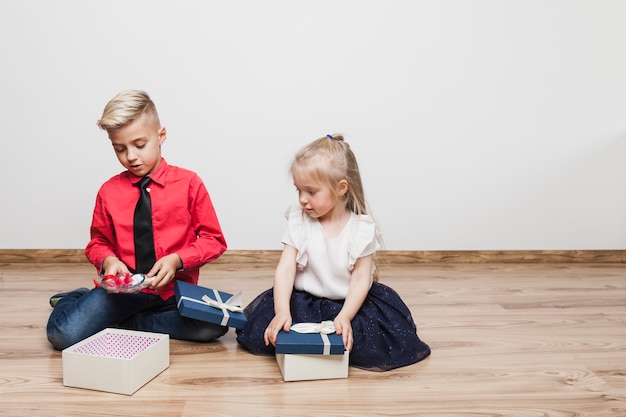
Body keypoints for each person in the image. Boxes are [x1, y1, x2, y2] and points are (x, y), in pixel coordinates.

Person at [46, 90, 228, 350]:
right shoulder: (109, 191)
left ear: (161, 136)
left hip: (174, 292)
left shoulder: (189, 183)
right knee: (63, 335)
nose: (131, 156)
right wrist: (109, 260)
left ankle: (119, 323)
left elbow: (214, 240)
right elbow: (97, 243)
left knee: (214, 326)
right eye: (120, 149)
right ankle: (76, 299)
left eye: (139, 145)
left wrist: (177, 260)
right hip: (122, 294)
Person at [236, 134, 430, 371]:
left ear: (340, 188)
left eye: (311, 191)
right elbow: (285, 270)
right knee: (270, 331)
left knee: (368, 342)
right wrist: (282, 312)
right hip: (304, 302)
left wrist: (346, 316)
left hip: (348, 303)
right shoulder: (299, 220)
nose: (302, 200)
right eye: (298, 190)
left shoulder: (360, 229)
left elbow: (361, 278)